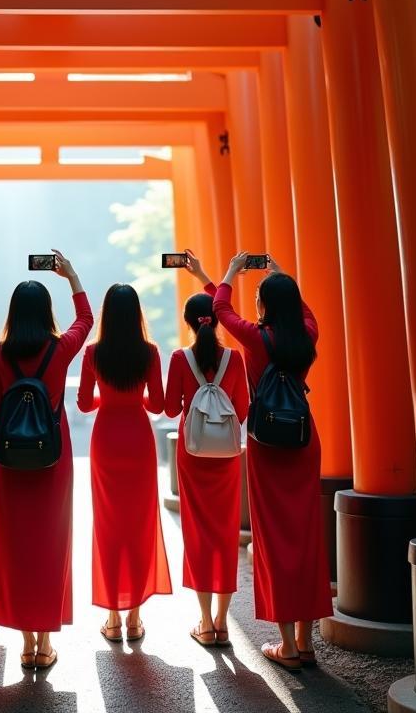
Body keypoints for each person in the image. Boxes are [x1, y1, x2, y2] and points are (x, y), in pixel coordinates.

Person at [214, 250, 332, 671]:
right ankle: (307, 641)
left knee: (274, 540)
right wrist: (284, 277)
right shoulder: (307, 335)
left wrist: (229, 271)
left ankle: (286, 646)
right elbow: (304, 312)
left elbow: (221, 309)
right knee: (305, 537)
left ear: (262, 306)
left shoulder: (255, 338)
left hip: (267, 441)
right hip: (303, 438)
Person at [0, 250, 93, 671]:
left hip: (11, 460)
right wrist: (72, 275)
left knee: (17, 545)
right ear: (47, 312)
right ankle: (45, 643)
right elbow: (86, 320)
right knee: (50, 543)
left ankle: (26, 643)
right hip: (53, 456)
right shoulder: (60, 348)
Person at [77, 284, 172, 643]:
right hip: (138, 438)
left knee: (109, 524)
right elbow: (160, 404)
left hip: (106, 439)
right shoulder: (149, 352)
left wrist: (109, 396)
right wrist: (134, 397)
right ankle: (135, 618)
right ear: (137, 315)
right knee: (139, 523)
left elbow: (85, 403)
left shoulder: (93, 353)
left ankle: (113, 619)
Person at [165, 252, 249, 648]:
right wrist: (203, 275)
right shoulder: (235, 359)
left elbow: (169, 408)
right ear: (215, 319)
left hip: (192, 453)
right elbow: (244, 408)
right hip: (227, 457)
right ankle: (223, 620)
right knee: (225, 532)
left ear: (187, 323)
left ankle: (204, 622)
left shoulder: (180, 358)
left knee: (198, 534)